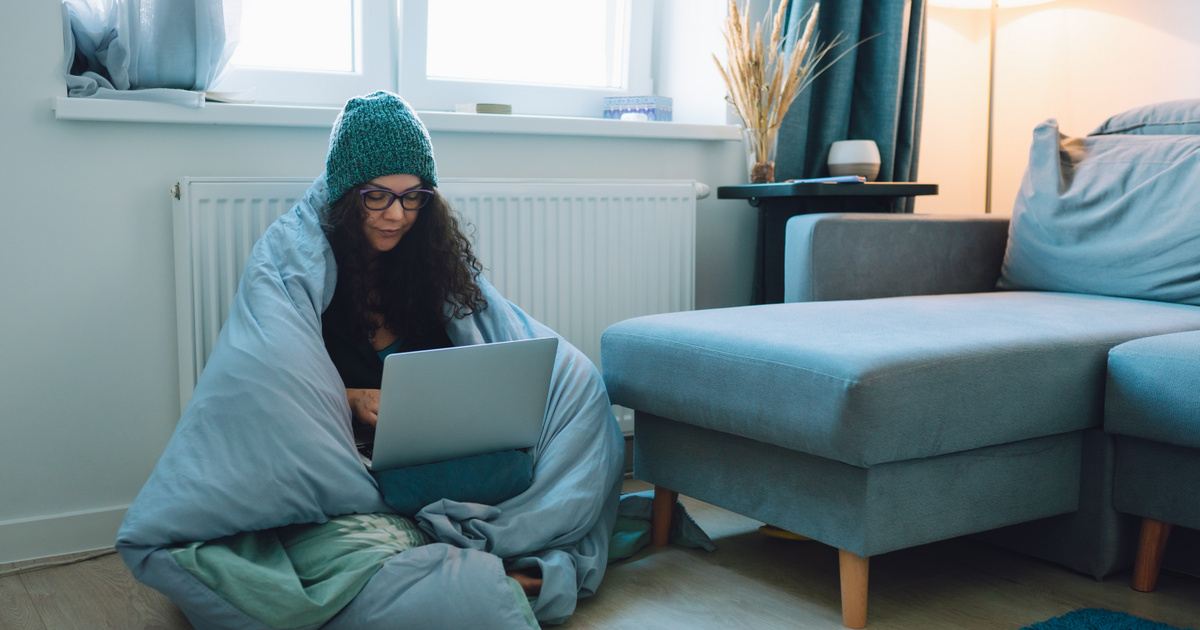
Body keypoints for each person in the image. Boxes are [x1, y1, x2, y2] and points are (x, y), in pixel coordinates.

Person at [318, 91, 542, 596]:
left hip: (434, 451)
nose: (396, 214)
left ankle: (447, 559)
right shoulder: (320, 282)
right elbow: (284, 379)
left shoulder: (429, 270)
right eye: (377, 196)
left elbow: (465, 364)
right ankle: (476, 568)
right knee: (384, 485)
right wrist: (350, 399)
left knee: (515, 465)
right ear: (347, 196)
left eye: (412, 196)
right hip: (359, 453)